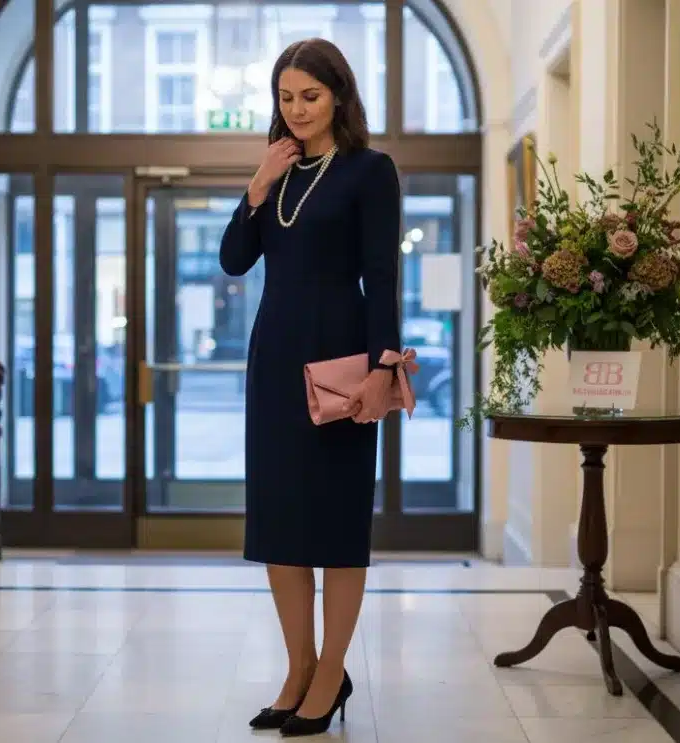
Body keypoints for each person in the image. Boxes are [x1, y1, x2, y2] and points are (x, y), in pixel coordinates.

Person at [219, 37, 403, 738]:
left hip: (344, 363)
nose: (296, 110)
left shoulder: (369, 170)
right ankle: (297, 668)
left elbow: (383, 276)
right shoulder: (279, 172)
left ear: (340, 97)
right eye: (286, 97)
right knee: (281, 523)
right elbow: (235, 261)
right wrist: (257, 188)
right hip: (273, 361)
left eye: (311, 96)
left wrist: (384, 368)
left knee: (336, 524)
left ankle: (331, 670)